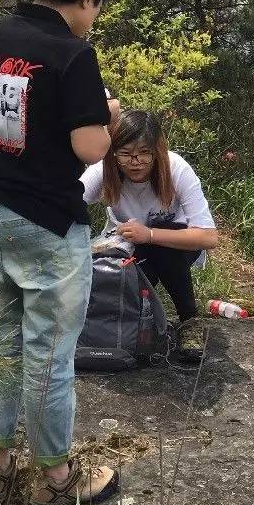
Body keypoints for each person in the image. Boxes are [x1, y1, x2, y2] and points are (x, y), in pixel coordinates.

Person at [0, 0, 121, 505]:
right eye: (98, 4)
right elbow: (90, 146)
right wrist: (111, 117)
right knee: (48, 353)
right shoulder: (73, 55)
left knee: (3, 346)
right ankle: (54, 479)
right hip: (46, 223)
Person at [81, 110, 218, 365]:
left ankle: (189, 320)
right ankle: (135, 320)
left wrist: (151, 234)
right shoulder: (104, 168)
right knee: (137, 255)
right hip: (130, 248)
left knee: (163, 247)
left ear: (157, 150)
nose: (135, 162)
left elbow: (209, 237)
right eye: (125, 153)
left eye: (144, 153)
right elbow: (71, 202)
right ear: (114, 152)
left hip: (174, 248)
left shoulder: (176, 168)